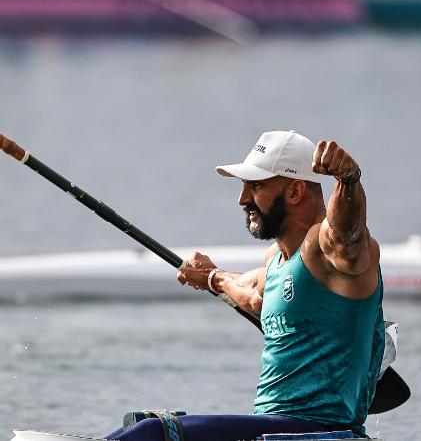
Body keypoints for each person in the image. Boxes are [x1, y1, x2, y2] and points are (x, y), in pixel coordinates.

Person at [107, 130, 384, 441]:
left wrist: (348, 181)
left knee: (155, 432)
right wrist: (211, 277)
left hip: (320, 430)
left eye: (256, 186)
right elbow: (251, 294)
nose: (242, 199)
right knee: (136, 425)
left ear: (294, 192)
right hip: (270, 430)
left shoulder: (329, 249)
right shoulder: (276, 262)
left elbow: (349, 233)